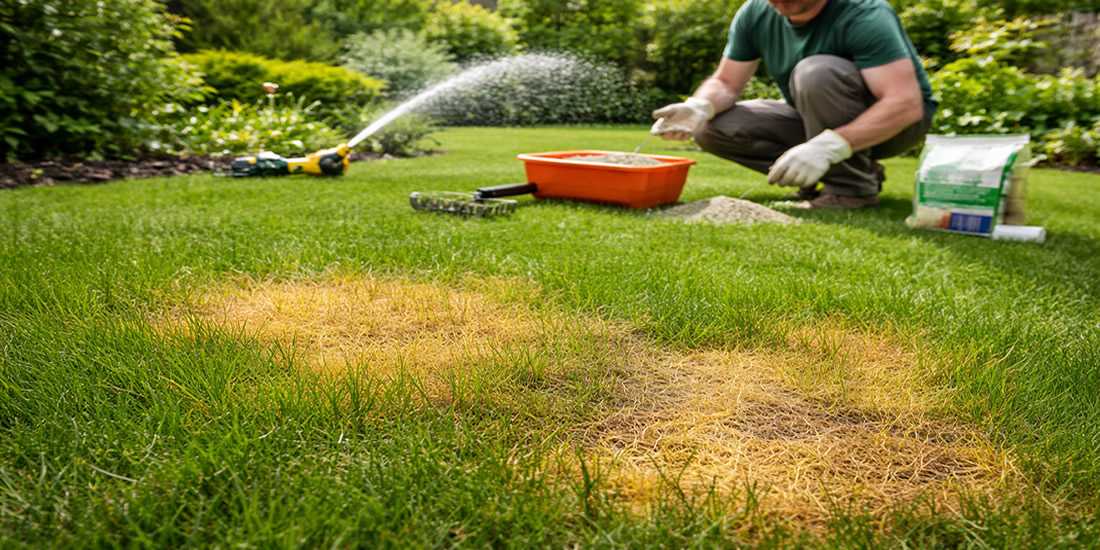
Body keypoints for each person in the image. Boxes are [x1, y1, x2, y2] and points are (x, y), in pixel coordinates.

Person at [651, 0, 936, 210]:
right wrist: (698, 107)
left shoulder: (864, 13)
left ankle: (851, 189)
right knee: (712, 128)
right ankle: (847, 172)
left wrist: (828, 147)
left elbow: (905, 103)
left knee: (816, 71)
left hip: (895, 126)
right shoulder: (755, 13)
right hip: (811, 118)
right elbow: (727, 82)